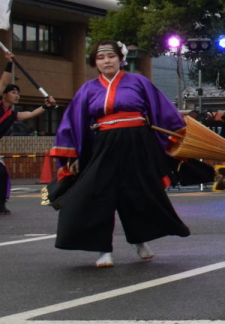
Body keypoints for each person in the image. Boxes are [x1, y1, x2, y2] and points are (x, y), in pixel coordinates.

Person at [49, 40, 189, 267]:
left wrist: (175, 137)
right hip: (104, 144)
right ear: (95, 63)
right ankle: (102, 249)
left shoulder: (139, 82)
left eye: (111, 57)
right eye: (101, 58)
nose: (106, 61)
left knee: (138, 193)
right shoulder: (88, 89)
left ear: (120, 59)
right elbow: (72, 123)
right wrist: (72, 155)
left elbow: (163, 110)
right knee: (97, 194)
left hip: (138, 143)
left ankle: (140, 240)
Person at [0, 53, 56, 215]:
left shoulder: (12, 114)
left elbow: (30, 114)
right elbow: (3, 82)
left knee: (2, 174)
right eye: (13, 92)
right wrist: (10, 64)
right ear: (4, 95)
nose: (17, 95)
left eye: (18, 93)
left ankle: (1, 205)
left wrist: (46, 106)